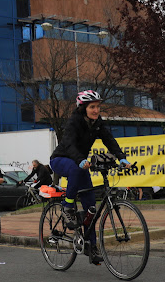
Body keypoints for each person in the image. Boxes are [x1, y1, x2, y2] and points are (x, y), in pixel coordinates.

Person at [50, 90, 130, 264]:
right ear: (83, 108)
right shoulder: (74, 122)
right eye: (92, 107)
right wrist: (80, 160)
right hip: (61, 159)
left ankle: (91, 246)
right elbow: (69, 144)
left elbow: (109, 140)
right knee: (75, 169)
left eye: (98, 107)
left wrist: (121, 157)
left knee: (91, 209)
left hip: (80, 164)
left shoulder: (97, 123)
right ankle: (67, 206)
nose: (96, 110)